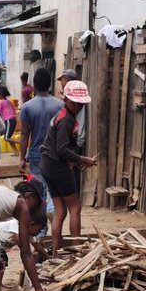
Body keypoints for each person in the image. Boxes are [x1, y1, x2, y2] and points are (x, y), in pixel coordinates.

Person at [40, 80, 98, 255]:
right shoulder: (66, 120)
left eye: (80, 103)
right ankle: (78, 250)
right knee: (75, 207)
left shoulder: (63, 115)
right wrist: (83, 159)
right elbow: (62, 149)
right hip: (56, 165)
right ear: (66, 100)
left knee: (60, 211)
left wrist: (74, 161)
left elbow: (60, 148)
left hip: (48, 164)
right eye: (75, 102)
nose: (78, 106)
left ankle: (56, 252)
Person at [19, 68, 64, 178]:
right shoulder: (60, 105)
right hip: (56, 154)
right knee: (55, 188)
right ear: (49, 84)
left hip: (36, 153)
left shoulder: (27, 107)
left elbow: (24, 134)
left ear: (34, 84)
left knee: (40, 188)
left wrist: (22, 158)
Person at [57, 69, 87, 189]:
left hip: (74, 144)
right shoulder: (68, 106)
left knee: (72, 177)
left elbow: (80, 126)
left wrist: (77, 148)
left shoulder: (77, 104)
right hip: (69, 144)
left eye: (63, 80)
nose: (62, 84)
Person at [0, 86, 19, 154]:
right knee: (8, 137)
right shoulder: (7, 101)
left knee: (6, 138)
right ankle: (16, 152)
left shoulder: (1, 102)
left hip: (9, 120)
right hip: (12, 120)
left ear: (1, 94)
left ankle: (22, 142)